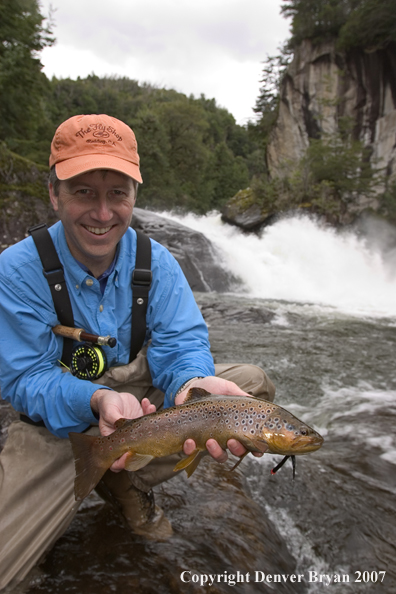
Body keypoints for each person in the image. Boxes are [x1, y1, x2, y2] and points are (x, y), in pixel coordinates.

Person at [0, 114, 275, 590]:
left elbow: (182, 343)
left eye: (117, 193)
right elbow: (24, 379)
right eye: (84, 191)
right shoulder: (16, 270)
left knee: (250, 389)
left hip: (141, 406)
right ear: (54, 194)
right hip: (55, 424)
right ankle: (106, 467)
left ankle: (126, 477)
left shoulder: (157, 262)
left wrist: (193, 383)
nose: (103, 213)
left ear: (134, 197)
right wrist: (97, 400)